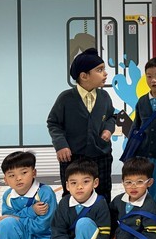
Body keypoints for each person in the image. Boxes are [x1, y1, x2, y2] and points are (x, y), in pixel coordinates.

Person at [47, 47, 115, 202]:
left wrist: (108, 129)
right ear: (84, 76)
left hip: (101, 155)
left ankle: (103, 217)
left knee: (103, 191)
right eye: (100, 70)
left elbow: (111, 117)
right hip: (73, 157)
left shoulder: (104, 96)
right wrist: (61, 145)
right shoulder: (66, 98)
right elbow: (53, 123)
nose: (105, 74)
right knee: (72, 194)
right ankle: (71, 217)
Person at [89, 157, 156, 239]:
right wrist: (112, 234)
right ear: (122, 182)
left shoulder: (149, 206)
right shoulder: (118, 200)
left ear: (149, 182)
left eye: (139, 182)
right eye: (128, 182)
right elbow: (110, 218)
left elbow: (152, 234)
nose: (133, 186)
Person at [0, 151, 57, 239]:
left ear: (34, 173)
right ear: (5, 179)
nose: (18, 178)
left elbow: (42, 226)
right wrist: (31, 211)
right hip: (23, 235)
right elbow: (8, 220)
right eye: (12, 175)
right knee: (6, 223)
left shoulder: (45, 192)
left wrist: (16, 217)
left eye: (24, 172)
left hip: (41, 237)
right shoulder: (8, 196)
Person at [46, 158, 111, 239]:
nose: (79, 187)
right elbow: (58, 232)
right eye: (74, 183)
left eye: (85, 182)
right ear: (67, 186)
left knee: (83, 223)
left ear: (95, 183)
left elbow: (104, 237)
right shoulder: (64, 203)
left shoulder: (100, 204)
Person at [126, 56, 156, 197]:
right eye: (149, 76)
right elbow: (135, 128)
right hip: (143, 157)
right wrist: (131, 156)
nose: (153, 80)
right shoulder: (142, 101)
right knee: (141, 193)